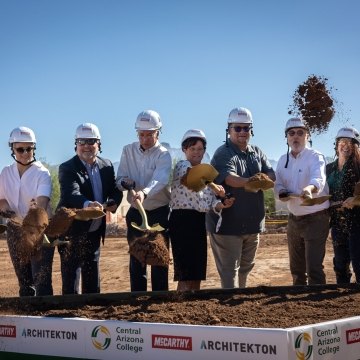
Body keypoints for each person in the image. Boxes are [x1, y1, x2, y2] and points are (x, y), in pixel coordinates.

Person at [206, 107, 275, 288]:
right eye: (238, 128)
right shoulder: (224, 153)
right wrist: (255, 182)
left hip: (253, 223)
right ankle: (229, 309)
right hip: (228, 225)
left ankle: (241, 304)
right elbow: (230, 179)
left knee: (246, 267)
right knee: (230, 271)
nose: (242, 132)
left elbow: (271, 173)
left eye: (246, 128)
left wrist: (265, 180)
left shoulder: (257, 152)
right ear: (229, 130)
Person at [57, 123, 122, 294]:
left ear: (98, 144)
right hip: (71, 231)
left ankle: (91, 315)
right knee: (71, 277)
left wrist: (114, 200)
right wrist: (88, 205)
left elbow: (114, 189)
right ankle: (70, 316)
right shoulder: (67, 168)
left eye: (91, 141)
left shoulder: (106, 166)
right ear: (76, 144)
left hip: (94, 231)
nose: (86, 146)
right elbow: (71, 194)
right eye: (82, 141)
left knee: (92, 275)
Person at [169, 129, 234, 291]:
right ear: (185, 150)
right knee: (185, 271)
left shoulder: (207, 173)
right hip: (181, 221)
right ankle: (180, 304)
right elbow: (193, 178)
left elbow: (212, 203)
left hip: (198, 222)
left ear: (204, 151)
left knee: (197, 270)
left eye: (200, 149)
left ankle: (193, 306)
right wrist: (214, 186)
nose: (197, 153)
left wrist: (222, 204)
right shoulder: (182, 166)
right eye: (192, 149)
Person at [116, 110, 171, 292]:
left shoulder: (163, 154)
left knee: (158, 259)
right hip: (135, 214)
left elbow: (160, 178)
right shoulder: (127, 151)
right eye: (142, 134)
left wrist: (144, 192)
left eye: (150, 134)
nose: (145, 139)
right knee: (137, 259)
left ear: (158, 132)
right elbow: (120, 178)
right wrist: (125, 182)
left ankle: (159, 299)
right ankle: (137, 296)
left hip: (159, 213)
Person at [275, 117, 330, 285]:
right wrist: (281, 192)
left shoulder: (315, 156)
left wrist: (309, 189)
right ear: (287, 138)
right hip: (294, 219)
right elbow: (277, 184)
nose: (296, 137)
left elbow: (318, 179)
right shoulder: (282, 161)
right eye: (291, 133)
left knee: (313, 267)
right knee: (297, 269)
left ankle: (318, 304)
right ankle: (297, 308)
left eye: (300, 132)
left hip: (316, 217)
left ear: (307, 136)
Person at [0, 126, 54, 296]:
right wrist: (12, 215)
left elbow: (42, 202)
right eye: (20, 149)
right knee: (24, 281)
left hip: (39, 230)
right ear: (12, 149)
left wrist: (35, 213)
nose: (25, 153)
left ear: (34, 148)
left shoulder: (42, 173)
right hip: (15, 231)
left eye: (29, 148)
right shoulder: (6, 173)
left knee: (41, 281)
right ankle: (27, 317)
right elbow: (1, 201)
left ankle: (46, 319)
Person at [326, 127, 360, 283]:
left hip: (357, 222)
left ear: (356, 146)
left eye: (350, 142)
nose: (346, 145)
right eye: (342, 142)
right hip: (337, 223)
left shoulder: (359, 167)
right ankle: (341, 303)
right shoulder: (329, 168)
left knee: (359, 263)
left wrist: (355, 200)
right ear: (336, 145)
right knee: (340, 265)